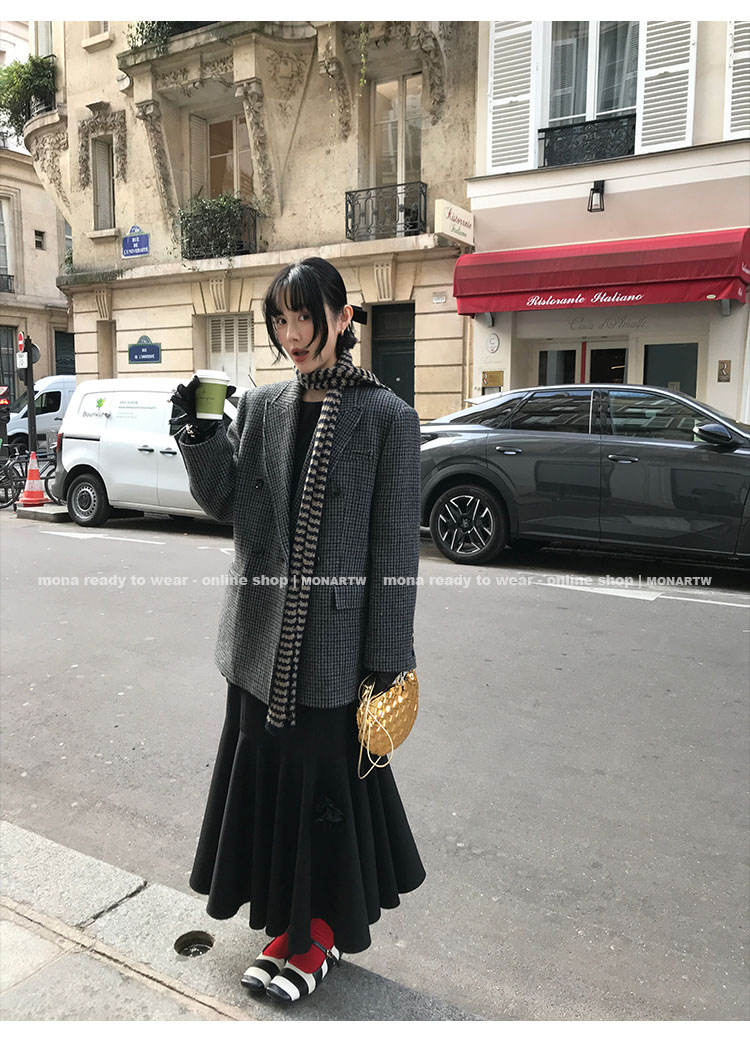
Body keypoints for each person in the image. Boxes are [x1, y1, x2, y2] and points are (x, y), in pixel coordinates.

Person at [170, 257, 425, 1004]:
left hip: (335, 652)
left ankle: (318, 936)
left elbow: (394, 553)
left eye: (306, 316)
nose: (293, 334)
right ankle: (285, 927)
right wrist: (200, 434)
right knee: (270, 788)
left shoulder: (388, 418)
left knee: (323, 795)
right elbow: (225, 502)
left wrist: (388, 660)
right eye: (280, 319)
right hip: (258, 643)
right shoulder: (264, 406)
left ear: (342, 318)